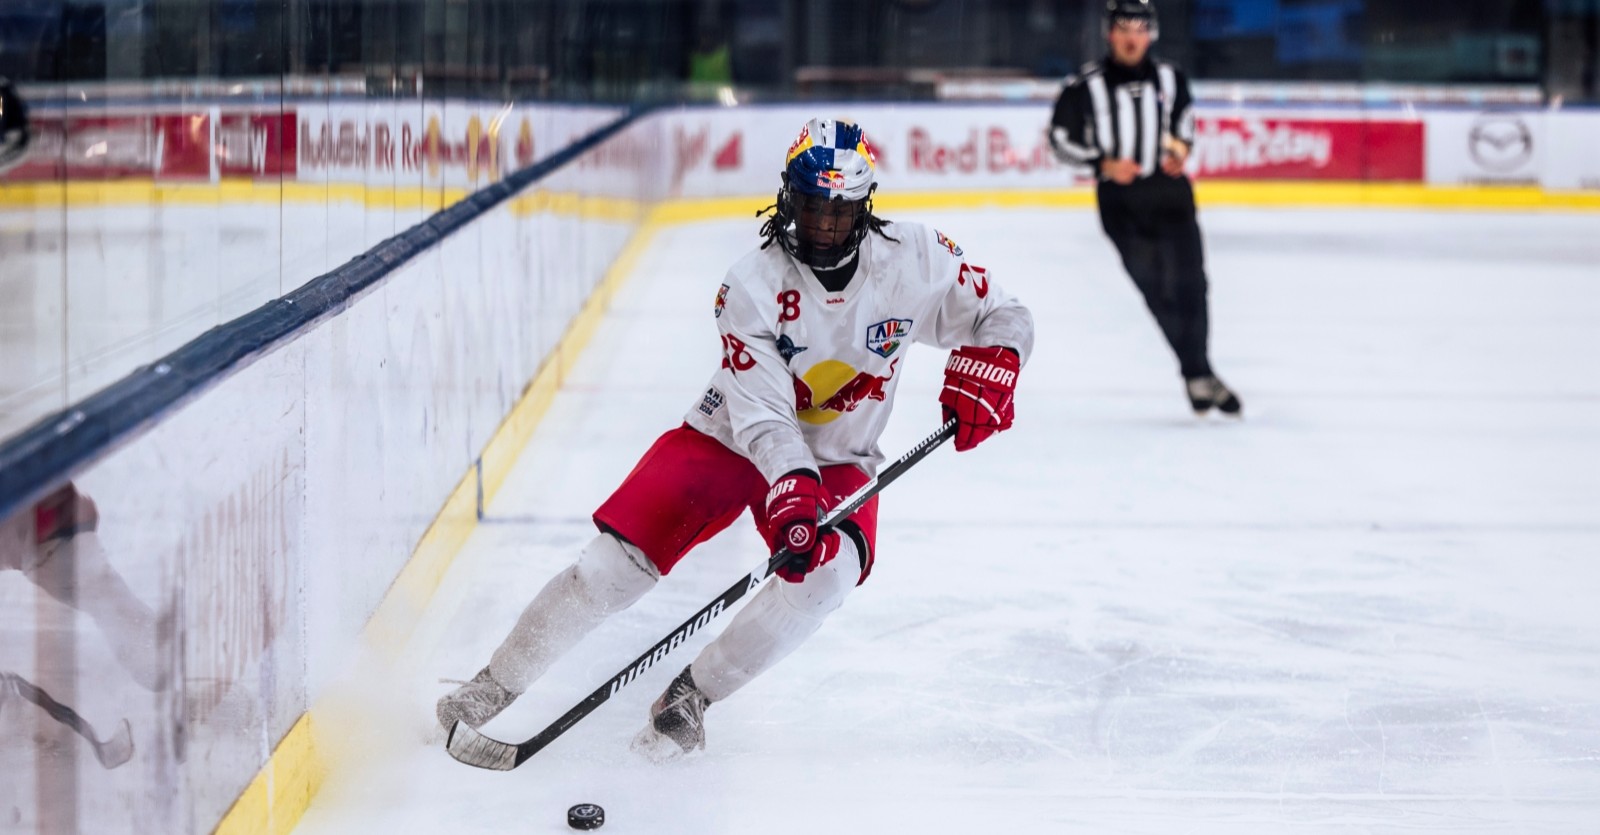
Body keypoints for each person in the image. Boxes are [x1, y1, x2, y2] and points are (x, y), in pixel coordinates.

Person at [438, 118, 1035, 761]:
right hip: (732, 439)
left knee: (827, 578)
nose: (824, 227)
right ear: (787, 199)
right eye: (811, 208)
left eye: (840, 212)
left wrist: (1000, 359)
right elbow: (765, 417)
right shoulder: (751, 285)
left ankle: (691, 696)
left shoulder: (918, 258)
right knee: (613, 567)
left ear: (865, 209)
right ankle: (489, 687)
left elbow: (1005, 314)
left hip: (840, 456)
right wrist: (790, 483)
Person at [1049, 0, 1242, 417]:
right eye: (1124, 28)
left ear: (1150, 34)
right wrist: (1102, 165)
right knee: (1156, 290)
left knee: (1193, 287)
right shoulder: (1083, 86)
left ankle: (1197, 373)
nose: (1132, 37)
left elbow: (1185, 121)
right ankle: (1200, 373)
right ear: (1110, 33)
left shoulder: (1172, 78)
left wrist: (1180, 149)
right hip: (1122, 204)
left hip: (1170, 194)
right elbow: (1060, 142)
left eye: (1140, 28)